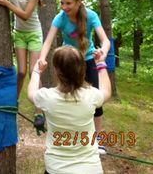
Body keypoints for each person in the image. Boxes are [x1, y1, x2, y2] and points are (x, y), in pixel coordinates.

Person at [37, 0, 111, 154]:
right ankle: (67, 135)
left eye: (68, 3)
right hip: (68, 62)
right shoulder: (60, 17)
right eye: (62, 3)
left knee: (96, 103)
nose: (64, 7)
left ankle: (95, 140)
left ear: (79, 2)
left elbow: (105, 41)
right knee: (66, 97)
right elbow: (48, 41)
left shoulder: (91, 15)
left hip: (89, 60)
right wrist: (42, 58)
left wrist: (103, 52)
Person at [28, 46, 111, 174]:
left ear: (56, 71)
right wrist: (100, 63)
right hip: (91, 169)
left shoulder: (47, 97)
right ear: (83, 69)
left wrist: (36, 71)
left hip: (56, 169)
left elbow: (31, 92)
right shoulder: (91, 96)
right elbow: (106, 91)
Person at [0, 0, 45, 127]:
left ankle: (39, 110)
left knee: (33, 72)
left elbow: (25, 15)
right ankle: (13, 102)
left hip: (34, 33)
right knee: (21, 71)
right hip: (19, 34)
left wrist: (7, 4)